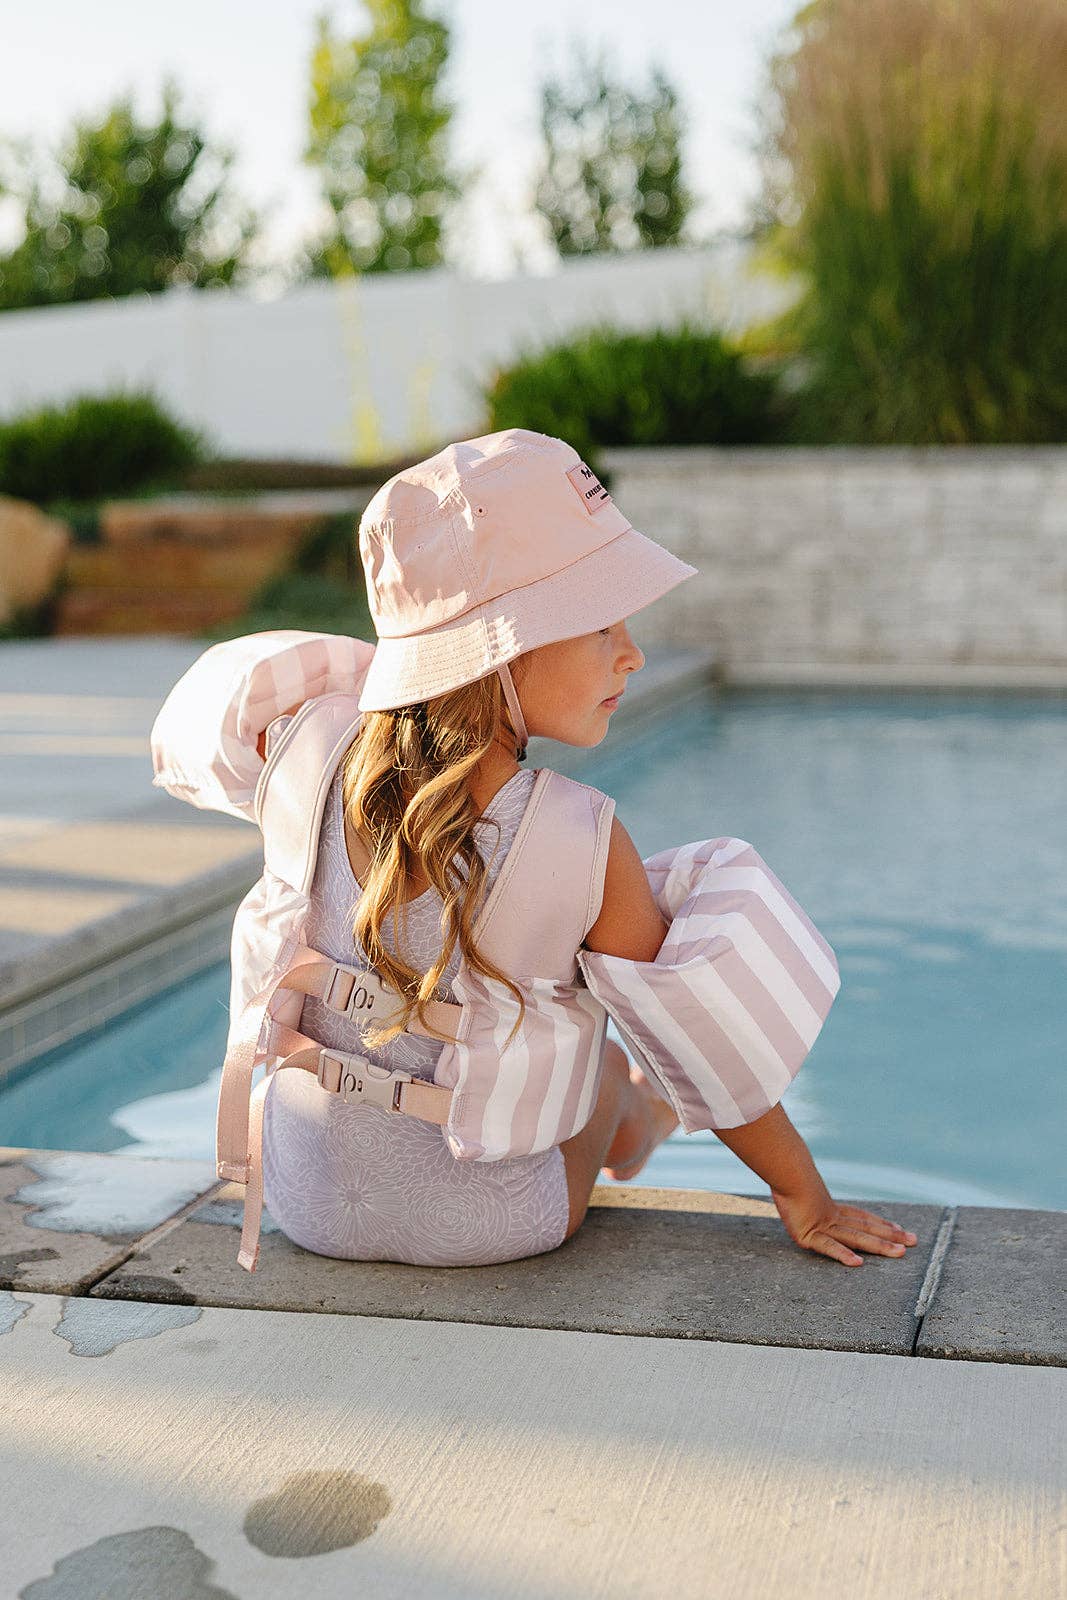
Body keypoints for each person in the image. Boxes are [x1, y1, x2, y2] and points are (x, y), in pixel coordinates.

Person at [251, 427, 918, 1272]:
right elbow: (699, 1042)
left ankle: (635, 1113)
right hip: (491, 1228)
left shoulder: (307, 755)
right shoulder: (579, 836)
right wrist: (805, 1197)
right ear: (502, 646)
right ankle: (637, 1124)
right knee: (598, 1053)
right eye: (601, 624)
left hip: (305, 1205)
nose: (632, 655)